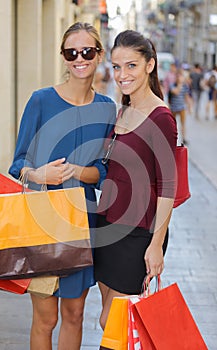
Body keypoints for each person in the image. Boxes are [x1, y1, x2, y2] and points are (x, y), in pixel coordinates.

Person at [8, 22, 116, 350]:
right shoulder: (41, 101)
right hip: (42, 223)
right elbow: (18, 165)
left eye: (87, 51)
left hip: (83, 222)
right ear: (63, 57)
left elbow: (104, 172)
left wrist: (79, 171)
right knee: (45, 319)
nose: (79, 58)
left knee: (74, 313)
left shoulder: (107, 108)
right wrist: (39, 175)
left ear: (99, 56)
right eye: (72, 52)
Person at [94, 30, 177, 331]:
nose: (122, 74)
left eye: (131, 65)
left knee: (113, 322)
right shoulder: (124, 111)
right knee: (110, 321)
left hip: (138, 233)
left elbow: (169, 187)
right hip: (107, 224)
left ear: (149, 65)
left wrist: (156, 245)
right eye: (117, 66)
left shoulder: (162, 118)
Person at [168, 68, 190, 144]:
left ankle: (184, 138)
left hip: (182, 108)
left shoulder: (185, 86)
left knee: (183, 124)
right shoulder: (172, 85)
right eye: (179, 77)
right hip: (173, 108)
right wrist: (180, 84)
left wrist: (189, 107)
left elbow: (186, 96)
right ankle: (172, 138)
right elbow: (176, 92)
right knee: (173, 125)